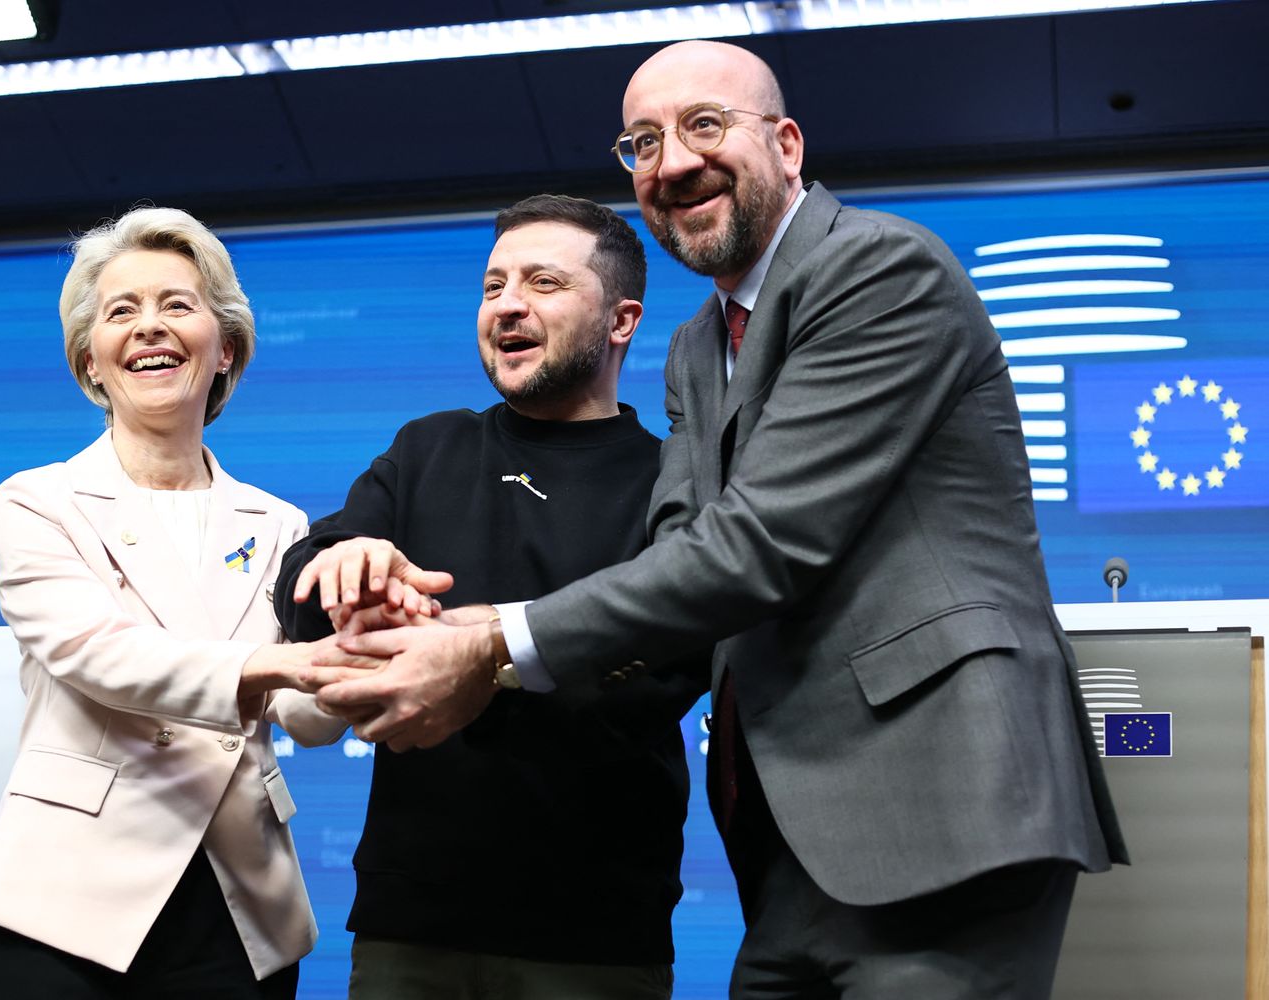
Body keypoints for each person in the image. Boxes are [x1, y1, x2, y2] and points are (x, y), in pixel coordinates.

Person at [309, 41, 1129, 999]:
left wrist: (490, 644)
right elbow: (682, 552)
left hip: (938, 799)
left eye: (704, 125)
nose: (672, 162)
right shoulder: (701, 343)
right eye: (642, 143)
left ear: (786, 143)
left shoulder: (879, 268)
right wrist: (443, 627)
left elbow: (761, 544)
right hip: (792, 833)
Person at [277, 194, 706, 999]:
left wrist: (481, 656)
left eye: (543, 283)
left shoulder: (669, 478)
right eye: (492, 285)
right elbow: (303, 594)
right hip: (409, 925)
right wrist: (349, 561)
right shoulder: (427, 447)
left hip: (595, 936)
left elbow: (668, 664)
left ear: (621, 321)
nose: (507, 304)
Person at [0, 206, 366, 999]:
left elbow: (308, 718)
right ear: (92, 363)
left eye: (178, 305)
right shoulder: (39, 501)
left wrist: (350, 653)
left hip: (239, 906)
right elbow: (99, 655)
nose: (150, 328)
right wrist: (280, 662)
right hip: (63, 901)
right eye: (122, 312)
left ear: (225, 350)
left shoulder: (281, 522)